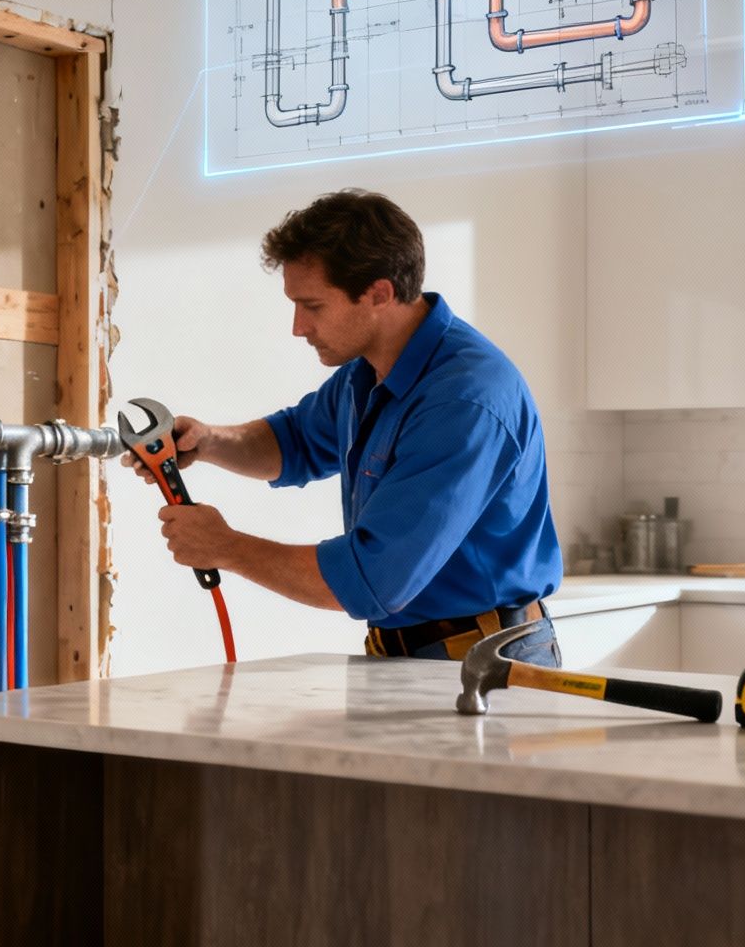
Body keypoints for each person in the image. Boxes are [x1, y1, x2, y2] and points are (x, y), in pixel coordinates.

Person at [127, 189, 564, 666]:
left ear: (379, 293)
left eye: (312, 306)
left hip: (482, 659)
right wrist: (207, 441)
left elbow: (374, 579)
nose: (298, 327)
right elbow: (293, 443)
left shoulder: (464, 400)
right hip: (403, 653)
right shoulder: (367, 373)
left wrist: (226, 547)